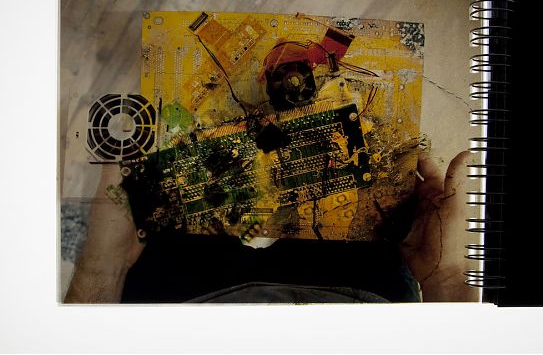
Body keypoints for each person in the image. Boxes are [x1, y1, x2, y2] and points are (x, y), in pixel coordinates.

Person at [64, 151, 477, 303]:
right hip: (364, 288)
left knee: (189, 176)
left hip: (175, 293)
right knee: (359, 173)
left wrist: (102, 268)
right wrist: (445, 276)